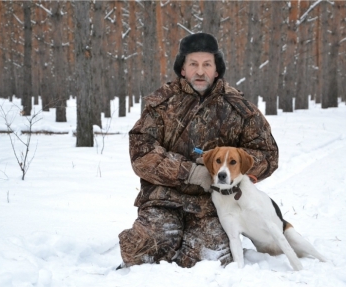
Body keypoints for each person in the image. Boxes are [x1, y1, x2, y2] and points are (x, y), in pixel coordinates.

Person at [118, 32, 279, 268]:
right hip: (164, 200)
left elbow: (268, 154)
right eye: (193, 64)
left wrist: (228, 168)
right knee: (142, 251)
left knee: (209, 262)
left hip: (214, 205)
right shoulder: (162, 103)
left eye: (207, 64)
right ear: (183, 69)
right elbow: (141, 152)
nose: (200, 71)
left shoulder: (239, 108)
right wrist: (191, 173)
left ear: (217, 69)